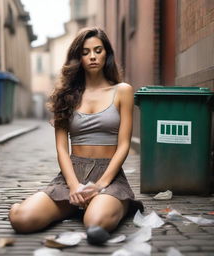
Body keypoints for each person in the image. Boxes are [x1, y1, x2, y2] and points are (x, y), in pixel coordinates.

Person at [9, 27, 144, 245]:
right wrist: (73, 186)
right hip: (72, 173)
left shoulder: (122, 91)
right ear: (78, 57)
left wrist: (100, 185)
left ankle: (117, 203)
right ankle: (71, 204)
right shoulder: (65, 96)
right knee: (22, 220)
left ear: (106, 54)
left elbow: (124, 144)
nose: (92, 56)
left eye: (98, 50)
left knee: (95, 224)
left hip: (108, 176)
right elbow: (62, 149)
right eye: (85, 52)